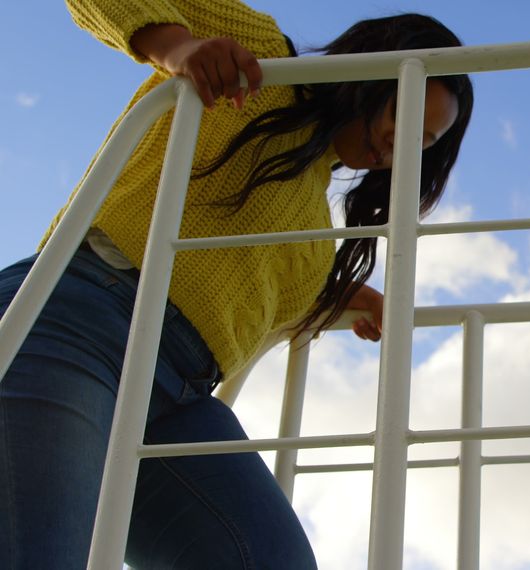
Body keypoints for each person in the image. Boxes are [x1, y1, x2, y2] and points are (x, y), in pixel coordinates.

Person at [0, 0, 473, 567]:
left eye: (424, 140)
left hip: (182, 396)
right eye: (406, 109)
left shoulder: (318, 237)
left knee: (272, 560)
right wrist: (178, 48)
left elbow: (231, 280)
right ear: (373, 69)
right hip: (84, 318)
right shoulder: (265, 64)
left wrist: (338, 298)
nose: (402, 145)